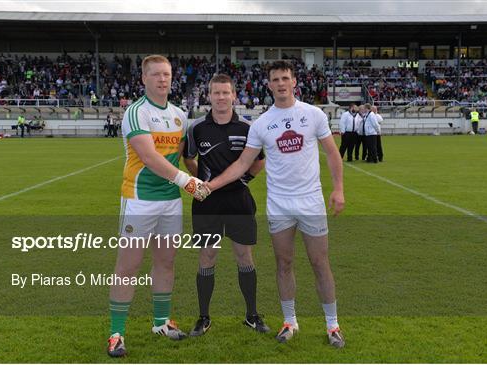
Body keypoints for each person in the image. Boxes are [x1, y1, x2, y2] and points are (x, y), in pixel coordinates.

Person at [205, 60, 346, 348]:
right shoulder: (262, 124)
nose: (281, 83)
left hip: (311, 202)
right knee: (284, 263)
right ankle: (289, 321)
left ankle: (333, 325)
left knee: (320, 263)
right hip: (279, 205)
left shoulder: (313, 114)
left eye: (285, 78)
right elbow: (244, 163)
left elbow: (332, 152)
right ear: (268, 85)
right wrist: (212, 185)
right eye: (275, 79)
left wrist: (339, 189)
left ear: (294, 82)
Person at [107, 55, 210, 358]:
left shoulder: (179, 114)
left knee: (166, 262)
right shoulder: (136, 112)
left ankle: (161, 323)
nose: (162, 79)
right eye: (155, 75)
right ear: (144, 78)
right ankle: (116, 333)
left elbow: (180, 157)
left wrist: (202, 179)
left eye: (166, 74)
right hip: (139, 200)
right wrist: (188, 182)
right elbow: (150, 158)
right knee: (128, 266)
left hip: (170, 202)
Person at [183, 74, 268, 337]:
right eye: (216, 93)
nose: (221, 97)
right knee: (207, 257)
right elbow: (188, 158)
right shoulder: (196, 128)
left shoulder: (247, 127)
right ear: (209, 95)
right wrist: (203, 183)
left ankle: (252, 315)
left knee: (244, 256)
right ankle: (204, 317)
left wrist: (242, 181)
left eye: (225, 93)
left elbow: (259, 162)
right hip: (207, 203)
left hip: (239, 201)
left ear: (234, 95)